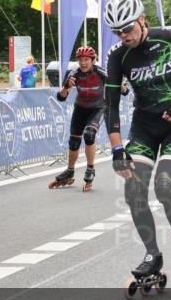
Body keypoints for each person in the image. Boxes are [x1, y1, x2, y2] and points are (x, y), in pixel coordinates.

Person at [103, 0, 171, 290]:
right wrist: (116, 149)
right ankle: (152, 255)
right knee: (134, 189)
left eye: (128, 29)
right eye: (117, 32)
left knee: (165, 185)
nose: (123, 36)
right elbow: (111, 105)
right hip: (144, 127)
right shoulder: (117, 56)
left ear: (142, 20)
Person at [50, 46, 126, 191]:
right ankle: (70, 170)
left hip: (97, 108)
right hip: (80, 108)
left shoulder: (100, 72)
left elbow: (120, 88)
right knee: (74, 141)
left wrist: (122, 88)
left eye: (86, 60)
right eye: (80, 60)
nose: (83, 63)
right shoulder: (75, 73)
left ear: (93, 60)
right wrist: (66, 87)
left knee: (89, 135)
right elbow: (61, 97)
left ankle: (90, 169)